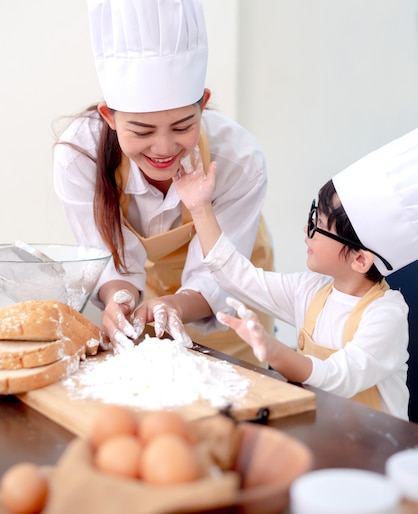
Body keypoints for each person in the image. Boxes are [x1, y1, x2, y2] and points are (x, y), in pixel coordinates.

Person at [53, 0, 274, 364]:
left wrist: (179, 303)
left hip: (231, 310)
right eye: (140, 131)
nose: (163, 147)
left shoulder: (239, 160)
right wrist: (118, 297)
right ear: (109, 116)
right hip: (151, 298)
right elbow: (106, 257)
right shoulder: (78, 155)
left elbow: (218, 277)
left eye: (182, 126)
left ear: (203, 105)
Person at [173, 128, 418, 419]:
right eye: (312, 217)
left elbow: (340, 377)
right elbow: (237, 278)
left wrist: (274, 351)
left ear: (360, 259)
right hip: (324, 430)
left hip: (377, 450)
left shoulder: (386, 315)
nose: (307, 229)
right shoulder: (310, 290)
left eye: (319, 225)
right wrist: (199, 207)